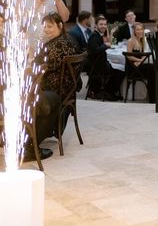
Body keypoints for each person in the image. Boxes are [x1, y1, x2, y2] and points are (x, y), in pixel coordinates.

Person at [25, 12, 81, 162]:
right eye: (44, 27)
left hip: (55, 89)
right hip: (69, 89)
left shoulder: (51, 47)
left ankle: (28, 141)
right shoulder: (69, 39)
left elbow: (37, 67)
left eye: (50, 26)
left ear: (60, 26)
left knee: (28, 95)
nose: (46, 30)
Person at [87, 15, 123, 100]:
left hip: (99, 64)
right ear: (96, 25)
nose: (103, 26)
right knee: (120, 71)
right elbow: (94, 51)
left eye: (104, 24)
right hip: (97, 67)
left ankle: (107, 91)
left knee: (118, 67)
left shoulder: (98, 35)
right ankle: (109, 93)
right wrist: (105, 45)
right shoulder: (94, 36)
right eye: (101, 24)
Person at [125, 22, 155, 103]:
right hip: (132, 68)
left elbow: (144, 54)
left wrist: (141, 61)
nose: (140, 31)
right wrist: (139, 61)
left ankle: (155, 97)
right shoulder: (131, 41)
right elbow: (128, 56)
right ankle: (153, 99)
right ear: (134, 31)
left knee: (155, 68)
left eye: (141, 29)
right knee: (152, 69)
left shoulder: (142, 41)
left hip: (139, 65)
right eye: (138, 30)